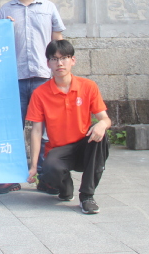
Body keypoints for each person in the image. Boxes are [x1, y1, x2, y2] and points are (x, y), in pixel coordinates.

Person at [0, 0, 65, 195]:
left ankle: (46, 177)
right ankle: (11, 177)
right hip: (15, 79)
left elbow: (58, 43)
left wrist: (59, 72)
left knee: (45, 130)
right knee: (14, 128)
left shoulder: (49, 8)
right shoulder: (5, 10)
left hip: (43, 77)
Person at [26, 40, 110, 214]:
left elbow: (105, 118)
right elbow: (36, 131)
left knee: (101, 137)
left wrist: (102, 124)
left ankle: (87, 196)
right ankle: (65, 186)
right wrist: (33, 166)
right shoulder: (40, 93)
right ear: (48, 63)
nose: (60, 63)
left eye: (64, 58)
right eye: (54, 59)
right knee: (49, 171)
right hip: (58, 150)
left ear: (73, 60)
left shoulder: (88, 86)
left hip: (83, 146)